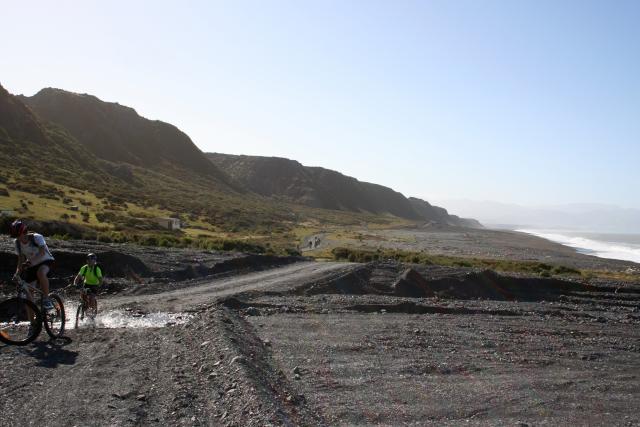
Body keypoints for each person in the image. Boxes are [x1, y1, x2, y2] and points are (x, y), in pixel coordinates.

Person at [10, 219, 55, 310]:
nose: (18, 238)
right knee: (29, 297)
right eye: (15, 236)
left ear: (24, 232)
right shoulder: (17, 243)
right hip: (31, 265)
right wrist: (17, 273)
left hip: (46, 261)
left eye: (19, 235)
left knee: (41, 273)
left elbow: (42, 252)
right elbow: (21, 260)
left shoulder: (37, 237)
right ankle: (33, 322)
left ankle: (47, 299)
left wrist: (30, 262)